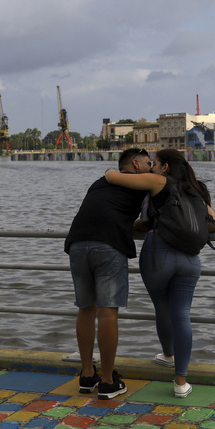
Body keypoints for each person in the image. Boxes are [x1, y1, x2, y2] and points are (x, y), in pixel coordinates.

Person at [103, 148, 215, 398]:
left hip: (158, 254)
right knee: (182, 314)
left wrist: (108, 171)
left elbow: (115, 177)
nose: (152, 167)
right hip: (190, 259)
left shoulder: (159, 181)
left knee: (162, 308)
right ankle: (180, 383)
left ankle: (168, 355)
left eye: (154, 163)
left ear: (165, 167)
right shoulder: (196, 190)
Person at [64, 148, 152, 399]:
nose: (151, 166)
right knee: (108, 311)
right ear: (136, 164)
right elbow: (147, 221)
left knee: (85, 308)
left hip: (77, 244)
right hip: (108, 245)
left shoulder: (99, 182)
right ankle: (108, 381)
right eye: (148, 162)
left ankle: (88, 374)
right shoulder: (142, 184)